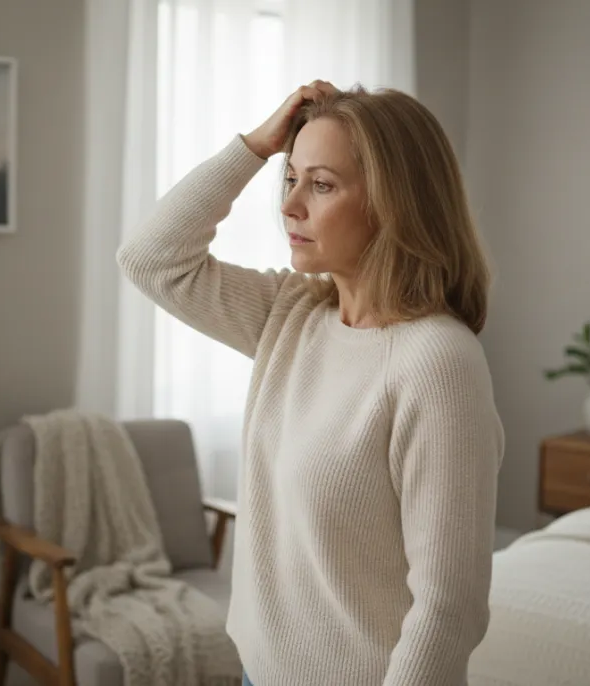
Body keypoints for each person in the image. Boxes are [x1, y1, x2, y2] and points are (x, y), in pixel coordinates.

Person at [116, 80, 505, 686]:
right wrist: (254, 147)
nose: (290, 205)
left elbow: (448, 607)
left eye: (321, 185)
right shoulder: (293, 314)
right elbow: (150, 258)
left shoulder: (437, 362)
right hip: (256, 671)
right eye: (289, 178)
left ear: (395, 203)